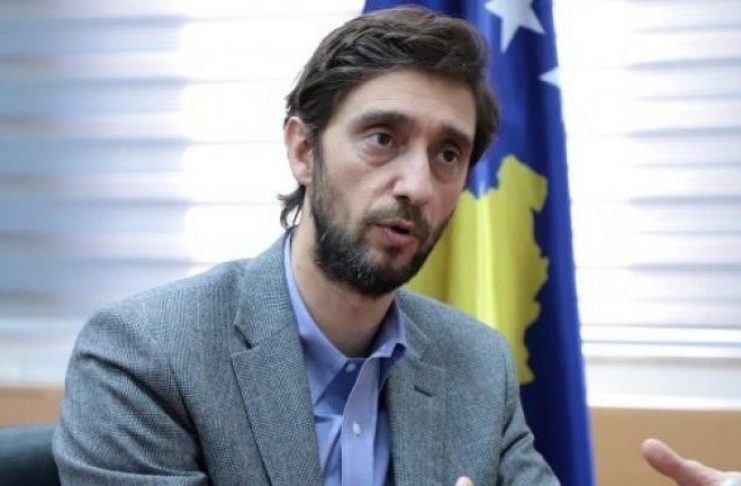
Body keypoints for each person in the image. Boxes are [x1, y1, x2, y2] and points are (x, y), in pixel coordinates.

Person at [52, 6, 738, 486]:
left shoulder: (476, 364)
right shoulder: (145, 354)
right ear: (303, 149)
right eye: (382, 138)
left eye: (448, 154)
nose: (417, 184)